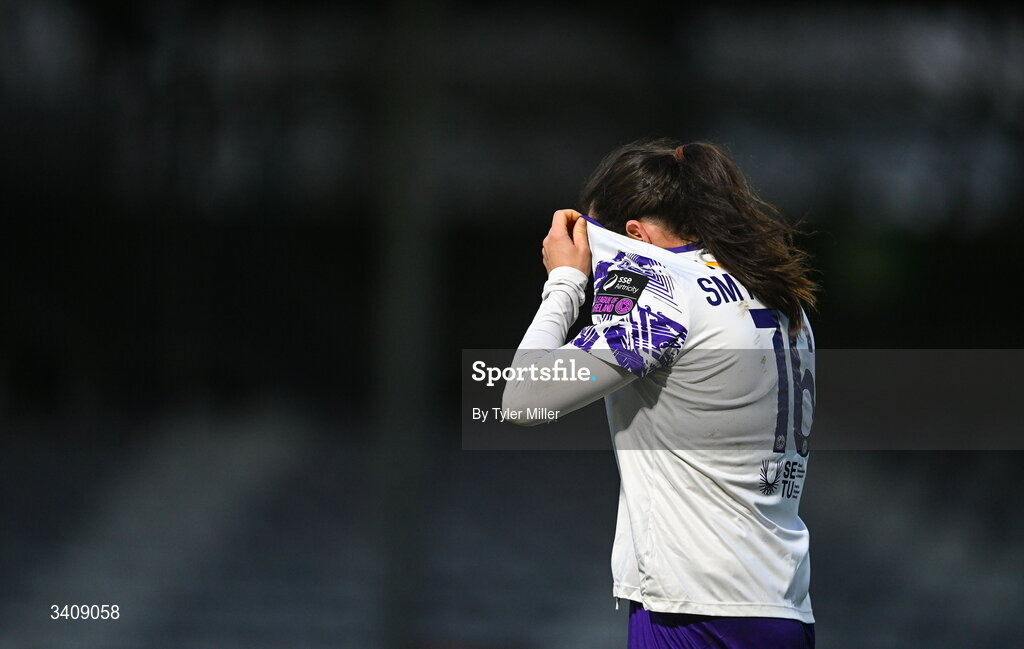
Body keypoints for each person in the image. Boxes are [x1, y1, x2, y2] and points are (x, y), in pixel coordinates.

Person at [502, 139, 818, 648]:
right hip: (781, 606)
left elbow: (521, 399)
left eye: (599, 241)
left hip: (693, 611)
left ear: (635, 234)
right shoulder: (775, 294)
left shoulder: (663, 293)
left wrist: (564, 281)